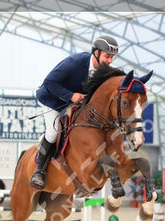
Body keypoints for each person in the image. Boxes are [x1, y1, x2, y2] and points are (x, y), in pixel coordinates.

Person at [29, 35, 119, 189]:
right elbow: (50, 82)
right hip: (51, 99)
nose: (110, 61)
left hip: (74, 103)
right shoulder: (74, 63)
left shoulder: (104, 72)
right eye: (107, 56)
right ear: (96, 53)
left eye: (112, 57)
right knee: (53, 131)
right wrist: (71, 95)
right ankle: (39, 171)